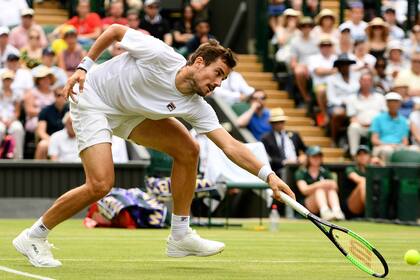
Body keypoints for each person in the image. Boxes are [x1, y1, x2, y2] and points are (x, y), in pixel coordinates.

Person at [13, 24, 295, 267]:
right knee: (100, 184)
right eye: (218, 73)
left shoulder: (198, 106)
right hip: (94, 99)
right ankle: (33, 236)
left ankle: (180, 236)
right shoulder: (160, 54)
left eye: (223, 79)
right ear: (198, 62)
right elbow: (113, 31)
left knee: (188, 149)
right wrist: (84, 67)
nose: (218, 83)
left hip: (130, 113)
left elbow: (231, 145)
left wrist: (268, 176)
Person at [294, 146, 345, 221]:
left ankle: (337, 211)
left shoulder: (325, 171)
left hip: (326, 200)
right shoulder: (301, 172)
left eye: (319, 156)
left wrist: (325, 184)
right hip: (307, 205)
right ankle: (325, 212)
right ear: (308, 158)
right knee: (319, 190)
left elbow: (335, 186)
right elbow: (304, 190)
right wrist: (320, 184)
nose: (317, 158)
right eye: (314, 156)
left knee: (331, 191)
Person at [346, 71, 386, 157]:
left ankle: (377, 157)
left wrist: (375, 125)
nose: (366, 82)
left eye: (368, 80)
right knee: (353, 127)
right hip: (361, 127)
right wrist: (363, 124)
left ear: (372, 82)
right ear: (359, 82)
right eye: (364, 80)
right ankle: (354, 155)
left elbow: (385, 115)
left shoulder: (380, 97)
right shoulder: (352, 98)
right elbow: (352, 117)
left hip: (377, 128)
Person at [261, 108, 306, 177]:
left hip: (297, 166)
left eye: (281, 121)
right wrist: (284, 162)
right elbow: (267, 158)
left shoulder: (294, 135)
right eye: (276, 122)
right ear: (272, 124)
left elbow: (305, 149)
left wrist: (303, 156)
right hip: (278, 170)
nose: (279, 124)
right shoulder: (266, 138)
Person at [370, 92, 410, 162]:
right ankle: (387, 171)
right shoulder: (378, 118)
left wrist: (398, 146)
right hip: (382, 146)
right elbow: (374, 140)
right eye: (390, 102)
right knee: (387, 150)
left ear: (400, 104)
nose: (393, 104)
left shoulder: (404, 120)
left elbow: (405, 141)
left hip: (398, 146)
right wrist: (389, 144)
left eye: (396, 102)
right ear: (386, 104)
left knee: (415, 149)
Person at [34, 86, 69, 159]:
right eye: (59, 95)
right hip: (49, 139)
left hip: (68, 139)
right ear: (54, 96)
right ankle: (39, 170)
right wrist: (53, 141)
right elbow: (41, 132)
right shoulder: (46, 111)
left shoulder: (71, 110)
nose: (61, 97)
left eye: (64, 95)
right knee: (42, 145)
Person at [0, 70, 25, 159]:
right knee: (0, 129)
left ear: (12, 81)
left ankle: (18, 158)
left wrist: (10, 120)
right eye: (5, 79)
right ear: (2, 80)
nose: (7, 81)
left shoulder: (16, 94)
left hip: (12, 119)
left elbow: (17, 112)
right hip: (0, 119)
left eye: (9, 79)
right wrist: (2, 120)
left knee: (18, 128)